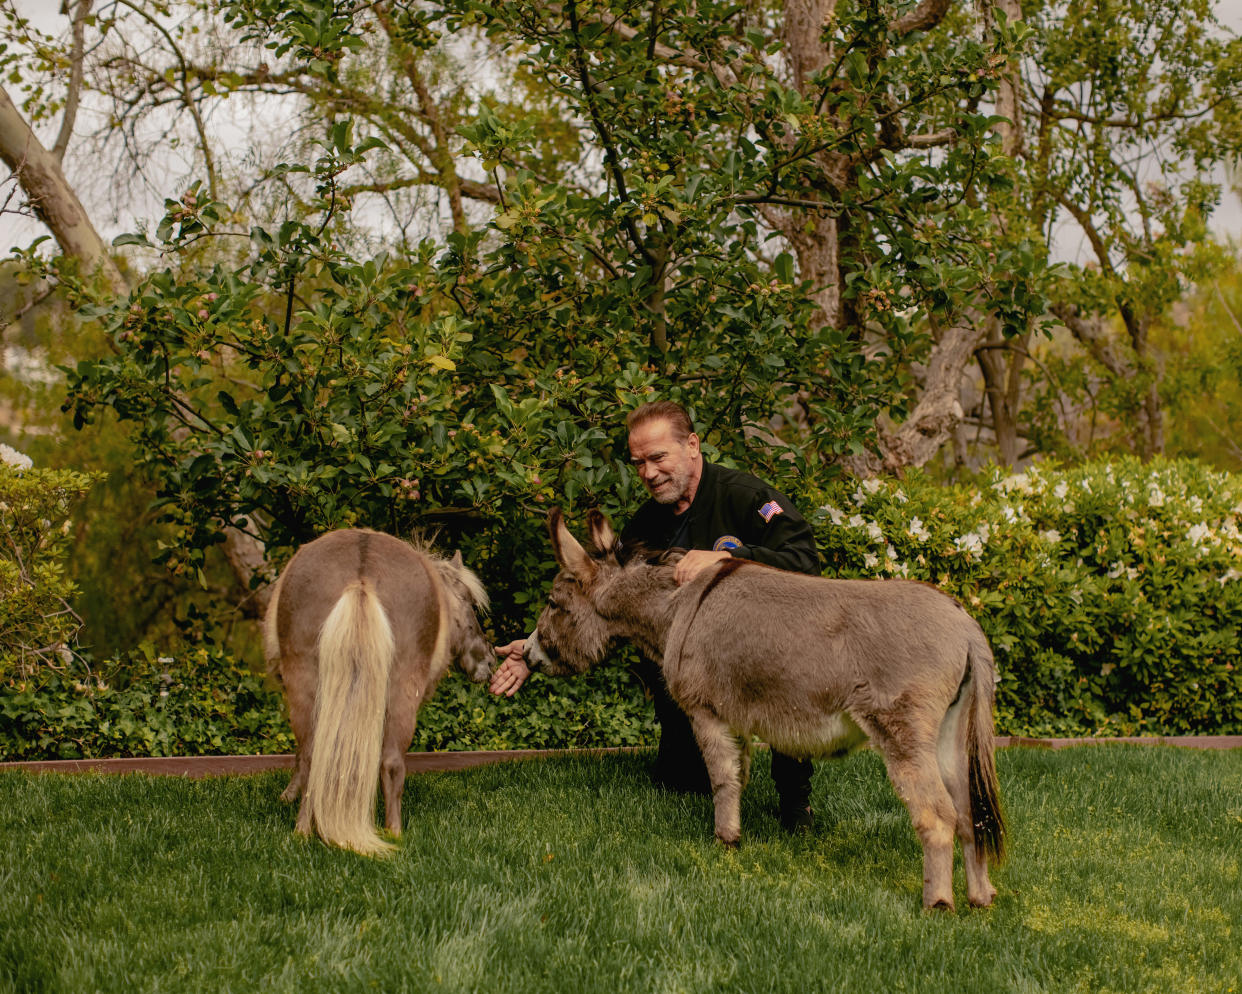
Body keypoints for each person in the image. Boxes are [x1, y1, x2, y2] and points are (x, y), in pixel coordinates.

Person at [491, 400, 821, 831]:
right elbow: (595, 595)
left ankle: (795, 800)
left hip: (765, 649)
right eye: (638, 462)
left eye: (658, 457)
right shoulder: (645, 524)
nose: (648, 473)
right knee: (682, 782)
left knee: (782, 674)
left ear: (693, 445)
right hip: (692, 670)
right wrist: (535, 647)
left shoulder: (746, 498)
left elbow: (804, 559)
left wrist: (728, 558)